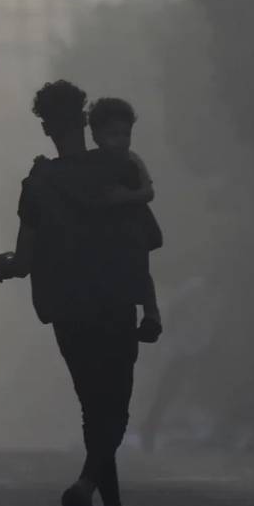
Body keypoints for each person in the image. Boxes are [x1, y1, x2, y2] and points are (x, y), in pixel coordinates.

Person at [0, 81, 160, 506]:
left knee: (92, 407)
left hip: (67, 310)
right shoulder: (119, 168)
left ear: (45, 126)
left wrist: (6, 266)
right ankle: (88, 491)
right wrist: (152, 307)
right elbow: (145, 243)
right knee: (115, 407)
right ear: (85, 118)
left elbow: (23, 263)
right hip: (116, 303)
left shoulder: (38, 183)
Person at [86, 97, 165, 343]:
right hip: (109, 233)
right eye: (114, 134)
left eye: (126, 134)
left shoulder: (132, 160)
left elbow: (148, 192)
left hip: (135, 225)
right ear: (97, 135)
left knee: (142, 269)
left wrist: (124, 197)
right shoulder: (91, 163)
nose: (121, 140)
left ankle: (152, 315)